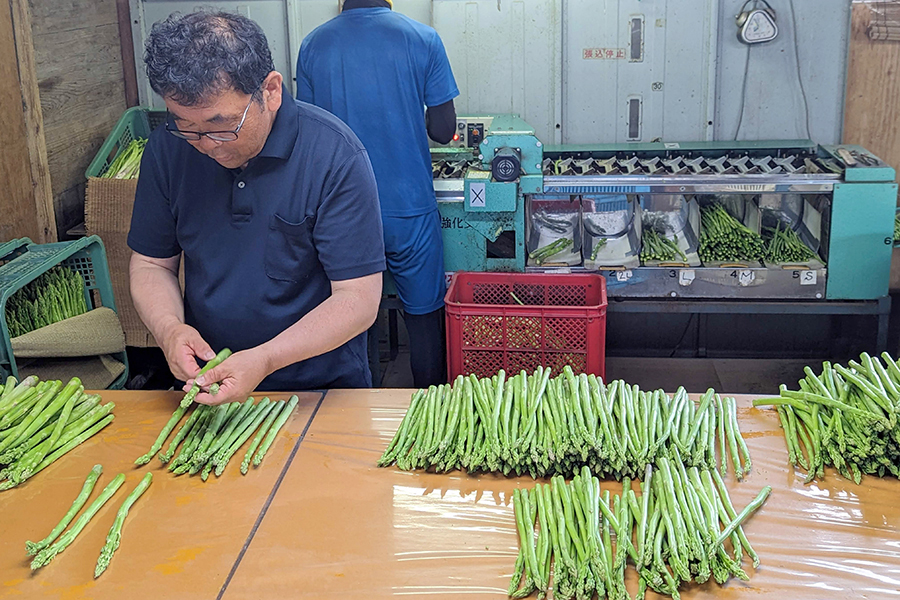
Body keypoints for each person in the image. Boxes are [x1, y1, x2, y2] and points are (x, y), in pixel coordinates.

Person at [128, 11, 386, 404]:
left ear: (270, 90)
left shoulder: (334, 155)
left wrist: (265, 359)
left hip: (321, 389)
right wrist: (169, 330)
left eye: (221, 125)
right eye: (186, 126)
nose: (207, 144)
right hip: (209, 385)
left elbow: (357, 298)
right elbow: (151, 264)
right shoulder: (168, 149)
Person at [296, 0, 459, 388]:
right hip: (409, 208)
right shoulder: (423, 38)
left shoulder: (313, 45)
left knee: (353, 315)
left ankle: (362, 413)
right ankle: (430, 408)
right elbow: (443, 129)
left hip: (343, 212)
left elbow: (309, 132)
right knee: (423, 319)